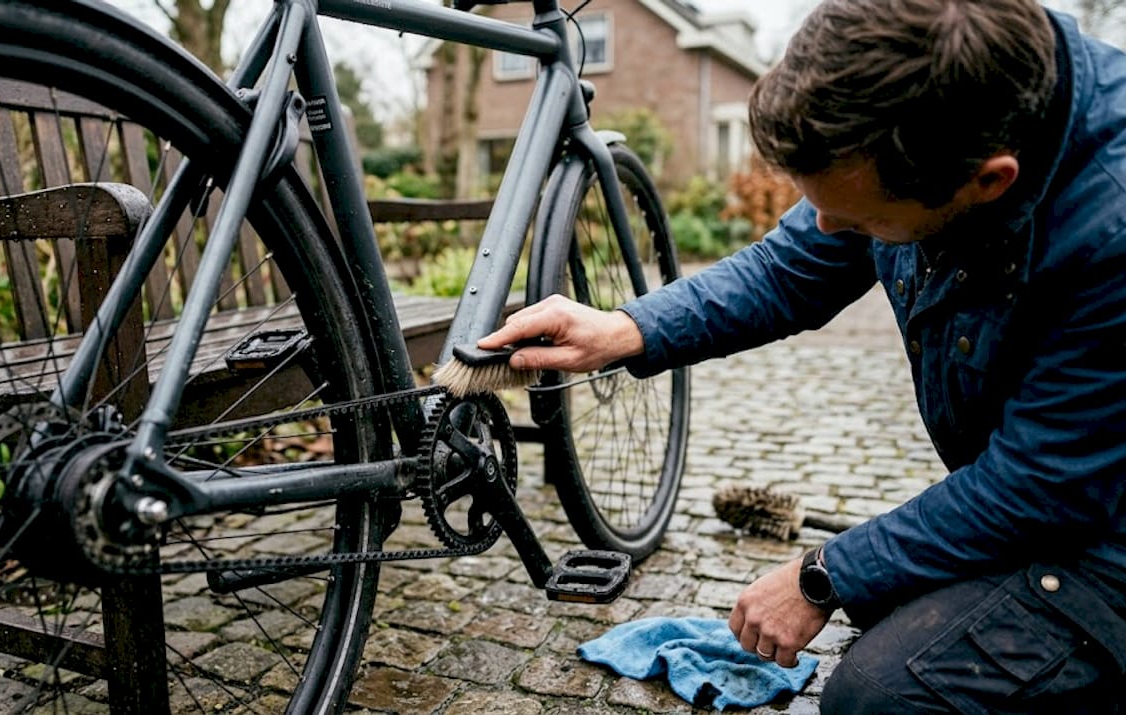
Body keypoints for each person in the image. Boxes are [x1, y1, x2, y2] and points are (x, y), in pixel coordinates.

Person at [480, 0, 1126, 711]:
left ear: (986, 181)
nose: (829, 228)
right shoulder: (924, 116)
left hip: (1104, 529)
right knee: (891, 618)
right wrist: (624, 329)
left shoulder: (1110, 228)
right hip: (1064, 487)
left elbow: (1041, 484)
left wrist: (824, 574)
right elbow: (789, 269)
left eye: (858, 219)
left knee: (878, 696)